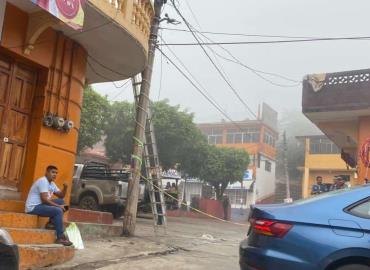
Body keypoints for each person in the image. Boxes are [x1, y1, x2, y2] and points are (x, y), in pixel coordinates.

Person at [25, 165, 72, 246]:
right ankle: (60, 237)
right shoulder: (43, 181)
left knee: (62, 203)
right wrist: (58, 206)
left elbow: (61, 196)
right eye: (52, 172)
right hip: (33, 207)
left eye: (56, 173)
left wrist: (65, 188)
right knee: (58, 210)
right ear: (46, 172)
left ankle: (51, 223)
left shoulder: (52, 184)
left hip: (41, 205)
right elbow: (45, 200)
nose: (55, 174)